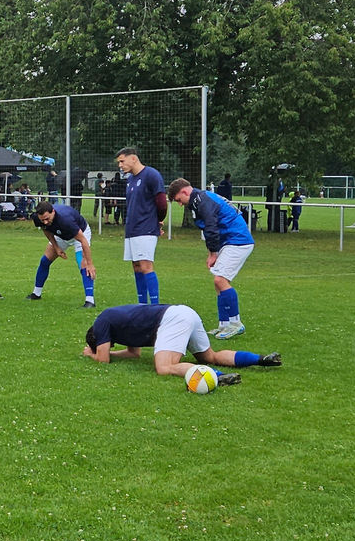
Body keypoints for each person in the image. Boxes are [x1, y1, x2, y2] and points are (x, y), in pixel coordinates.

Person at [82, 303, 282, 384]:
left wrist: (91, 355)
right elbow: (133, 354)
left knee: (164, 367)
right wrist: (111, 355)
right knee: (210, 356)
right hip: (184, 312)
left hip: (170, 319)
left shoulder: (101, 322)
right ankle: (260, 359)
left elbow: (103, 359)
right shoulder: (117, 326)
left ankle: (218, 377)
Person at [167, 178, 254, 339]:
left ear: (185, 191)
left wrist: (213, 253)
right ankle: (224, 324)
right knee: (219, 283)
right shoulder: (199, 199)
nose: (180, 204)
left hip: (238, 241)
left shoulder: (202, 201)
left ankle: (236, 324)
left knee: (220, 281)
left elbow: (211, 227)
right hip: (229, 241)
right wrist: (211, 252)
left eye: (179, 200)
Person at [115, 147, 167, 305]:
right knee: (136, 267)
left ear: (133, 159)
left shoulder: (151, 175)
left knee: (145, 266)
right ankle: (142, 304)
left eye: (122, 161)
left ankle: (155, 306)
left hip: (146, 229)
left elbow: (162, 203)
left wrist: (158, 221)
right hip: (132, 230)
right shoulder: (130, 179)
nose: (120, 165)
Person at [26, 200, 97, 307]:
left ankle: (90, 301)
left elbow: (83, 240)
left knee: (83, 264)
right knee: (44, 261)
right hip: (60, 236)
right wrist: (56, 247)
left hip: (80, 234)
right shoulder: (38, 218)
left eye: (47, 219)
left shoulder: (66, 220)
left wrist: (90, 263)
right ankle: (36, 293)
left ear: (53, 212)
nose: (45, 222)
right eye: (42, 220)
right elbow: (46, 230)